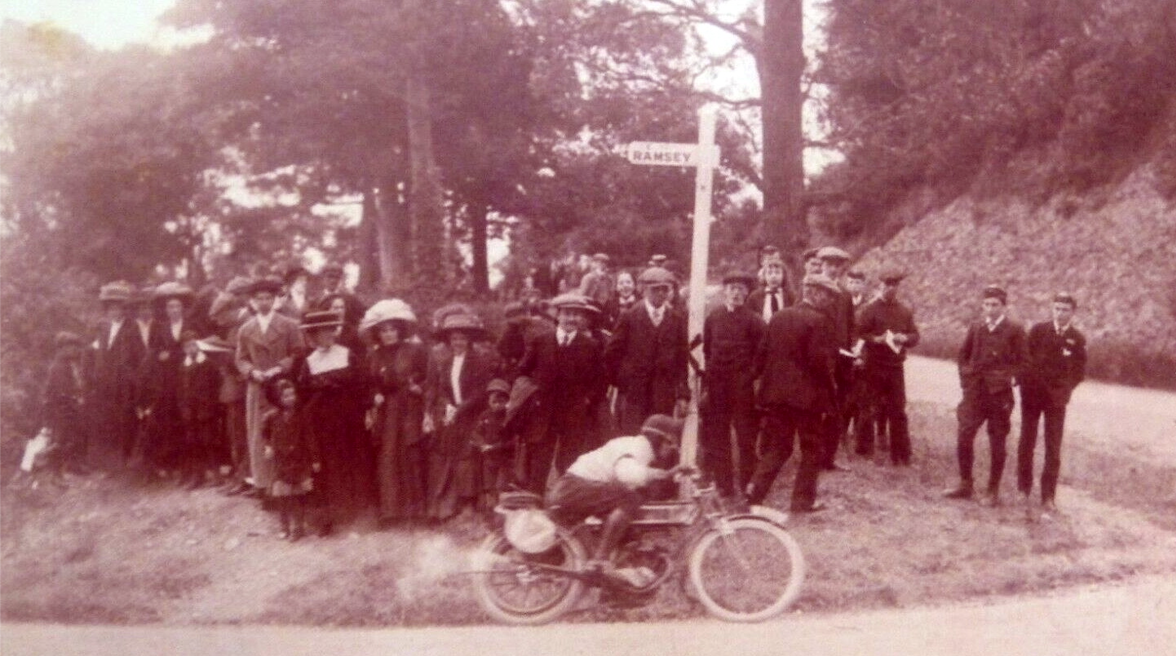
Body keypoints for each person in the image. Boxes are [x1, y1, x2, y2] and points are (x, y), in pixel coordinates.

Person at [547, 414, 686, 579]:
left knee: (630, 503)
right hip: (573, 488)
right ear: (657, 439)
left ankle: (610, 569)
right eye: (670, 442)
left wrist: (665, 475)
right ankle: (600, 561)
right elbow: (627, 473)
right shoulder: (639, 448)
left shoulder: (634, 445)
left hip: (571, 489)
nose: (673, 448)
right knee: (630, 499)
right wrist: (661, 474)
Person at [747, 274, 840, 513]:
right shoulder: (819, 321)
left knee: (778, 447)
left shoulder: (779, 316)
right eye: (828, 295)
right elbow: (819, 362)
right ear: (815, 292)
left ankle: (754, 491)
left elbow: (762, 355)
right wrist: (831, 387)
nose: (830, 301)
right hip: (806, 399)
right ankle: (802, 502)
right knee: (812, 449)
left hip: (777, 396)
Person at [945, 285, 1027, 506]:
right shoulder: (977, 327)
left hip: (999, 395)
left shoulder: (1015, 330)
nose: (990, 309)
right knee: (964, 434)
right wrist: (966, 381)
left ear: (1004, 307)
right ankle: (965, 483)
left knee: (997, 440)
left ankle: (992, 490)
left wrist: (1011, 379)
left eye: (995, 305)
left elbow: (1024, 363)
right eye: (987, 305)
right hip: (975, 393)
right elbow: (963, 356)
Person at [292, 310, 376, 528]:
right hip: (325, 423)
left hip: (350, 418)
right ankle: (334, 515)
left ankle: (359, 512)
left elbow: (362, 384)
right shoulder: (309, 362)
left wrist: (365, 409)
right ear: (314, 335)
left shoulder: (347, 354)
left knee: (355, 459)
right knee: (331, 465)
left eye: (332, 329)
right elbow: (303, 395)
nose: (330, 334)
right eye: (324, 331)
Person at [515, 293, 605, 492]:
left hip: (573, 413)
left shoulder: (590, 346)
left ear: (581, 318)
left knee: (569, 459)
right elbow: (523, 370)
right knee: (540, 458)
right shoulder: (541, 341)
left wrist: (587, 401)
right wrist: (532, 395)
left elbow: (599, 381)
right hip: (543, 412)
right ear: (557, 315)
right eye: (567, 314)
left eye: (576, 314)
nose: (571, 319)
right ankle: (535, 500)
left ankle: (565, 502)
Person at [425, 312, 501, 520]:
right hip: (455, 415)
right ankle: (453, 502)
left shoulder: (479, 361)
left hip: (474, 416)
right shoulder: (448, 361)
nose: (458, 342)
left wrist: (461, 409)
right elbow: (443, 388)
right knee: (452, 457)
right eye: (454, 338)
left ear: (469, 340)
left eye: (462, 338)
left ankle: (470, 502)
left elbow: (480, 392)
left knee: (469, 458)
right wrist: (448, 406)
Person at [1017, 293, 1086, 518]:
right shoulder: (1038, 331)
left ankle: (1048, 496)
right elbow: (1024, 359)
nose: (1060, 313)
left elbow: (1078, 372)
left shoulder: (1077, 338)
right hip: (1032, 396)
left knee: (1053, 446)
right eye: (1057, 308)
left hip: (1056, 399)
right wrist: (1027, 383)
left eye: (1065, 309)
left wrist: (1064, 390)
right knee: (1027, 441)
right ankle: (1023, 488)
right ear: (1052, 309)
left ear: (1072, 312)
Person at [236, 277, 306, 498]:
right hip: (258, 387)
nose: (264, 302)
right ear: (252, 302)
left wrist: (279, 368)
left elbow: (298, 352)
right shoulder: (246, 329)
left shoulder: (289, 325)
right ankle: (265, 485)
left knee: (285, 434)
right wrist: (252, 372)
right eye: (259, 299)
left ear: (275, 299)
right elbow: (241, 358)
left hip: (282, 387)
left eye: (268, 298)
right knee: (259, 435)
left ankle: (286, 486)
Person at [362, 299, 430, 524]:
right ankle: (391, 511)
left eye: (392, 329)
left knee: (412, 455)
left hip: (410, 407)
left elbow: (427, 376)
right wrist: (375, 395)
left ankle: (417, 511)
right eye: (383, 331)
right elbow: (369, 383)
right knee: (388, 457)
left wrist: (417, 386)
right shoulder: (374, 355)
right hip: (387, 412)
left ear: (400, 330)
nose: (388, 334)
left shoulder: (415, 350)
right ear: (377, 334)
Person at [700, 270, 765, 498]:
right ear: (724, 291)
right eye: (731, 288)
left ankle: (748, 486)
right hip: (718, 386)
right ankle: (724, 486)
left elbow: (762, 354)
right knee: (719, 436)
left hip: (743, 388)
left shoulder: (754, 320)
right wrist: (711, 376)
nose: (736, 293)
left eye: (740, 289)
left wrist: (749, 376)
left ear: (747, 293)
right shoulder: (714, 317)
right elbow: (708, 349)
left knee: (746, 438)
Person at [604, 266, 689, 434]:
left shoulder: (676, 319)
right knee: (632, 435)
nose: (660, 294)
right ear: (643, 290)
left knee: (659, 436)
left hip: (663, 392)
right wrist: (624, 380)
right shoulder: (629, 317)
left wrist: (682, 392)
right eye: (655, 290)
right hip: (634, 391)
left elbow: (681, 357)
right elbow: (611, 354)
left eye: (665, 289)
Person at [854, 268, 920, 464]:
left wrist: (905, 338)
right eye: (886, 285)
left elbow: (915, 336)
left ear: (898, 288)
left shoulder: (904, 311)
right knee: (868, 408)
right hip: (873, 365)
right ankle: (864, 449)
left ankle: (901, 453)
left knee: (898, 410)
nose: (890, 289)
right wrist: (877, 339)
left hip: (895, 367)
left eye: (894, 286)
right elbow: (859, 334)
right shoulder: (869, 310)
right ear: (880, 286)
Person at [86, 280, 139, 469]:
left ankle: (126, 459)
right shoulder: (103, 328)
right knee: (108, 419)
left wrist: (128, 375)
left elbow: (135, 355)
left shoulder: (131, 328)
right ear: (107, 311)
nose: (114, 312)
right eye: (111, 309)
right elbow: (97, 352)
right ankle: (111, 460)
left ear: (123, 310)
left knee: (125, 418)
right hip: (105, 381)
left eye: (118, 309)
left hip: (123, 381)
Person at [261, 377, 320, 541]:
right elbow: (264, 434)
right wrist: (268, 447)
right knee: (283, 496)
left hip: (299, 459)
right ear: (278, 399)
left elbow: (310, 438)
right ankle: (284, 526)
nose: (291, 398)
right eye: (286, 396)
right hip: (281, 460)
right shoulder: (271, 417)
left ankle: (298, 527)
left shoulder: (302, 415)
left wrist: (315, 459)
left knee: (298, 495)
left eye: (292, 394)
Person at [817, 246, 856, 472]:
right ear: (822, 265)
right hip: (819, 358)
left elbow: (850, 326)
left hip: (841, 360)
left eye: (837, 266)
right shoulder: (813, 289)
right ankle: (812, 457)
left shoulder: (845, 294)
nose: (833, 270)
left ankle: (828, 457)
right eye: (829, 265)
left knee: (837, 408)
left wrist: (853, 347)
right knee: (815, 409)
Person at [176, 330, 223, 489]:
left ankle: (216, 472)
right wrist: (184, 408)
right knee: (193, 442)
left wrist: (210, 406)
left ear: (199, 345)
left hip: (206, 409)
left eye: (193, 344)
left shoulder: (208, 364)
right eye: (187, 346)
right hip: (190, 411)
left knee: (209, 440)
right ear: (183, 349)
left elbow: (216, 385)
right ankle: (198, 475)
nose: (191, 348)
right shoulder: (183, 366)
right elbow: (180, 390)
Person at [41, 332, 89, 478]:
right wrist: (74, 401)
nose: (74, 350)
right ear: (61, 349)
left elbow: (77, 384)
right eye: (70, 347)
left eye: (75, 347)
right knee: (61, 439)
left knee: (75, 436)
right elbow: (62, 392)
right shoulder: (58, 366)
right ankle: (56, 473)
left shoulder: (70, 364)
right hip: (60, 408)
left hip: (69, 405)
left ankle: (73, 465)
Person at [471, 378, 514, 508]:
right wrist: (482, 444)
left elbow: (513, 441)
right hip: (489, 459)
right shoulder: (485, 416)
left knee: (502, 487)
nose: (496, 405)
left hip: (504, 460)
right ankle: (491, 515)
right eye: (493, 401)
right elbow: (476, 433)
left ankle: (503, 514)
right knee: (489, 488)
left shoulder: (510, 417)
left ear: (507, 401)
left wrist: (495, 447)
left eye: (501, 401)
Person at [747, 247, 796, 323]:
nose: (774, 276)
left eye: (777, 273)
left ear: (784, 275)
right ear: (764, 276)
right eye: (769, 273)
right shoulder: (755, 297)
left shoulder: (791, 296)